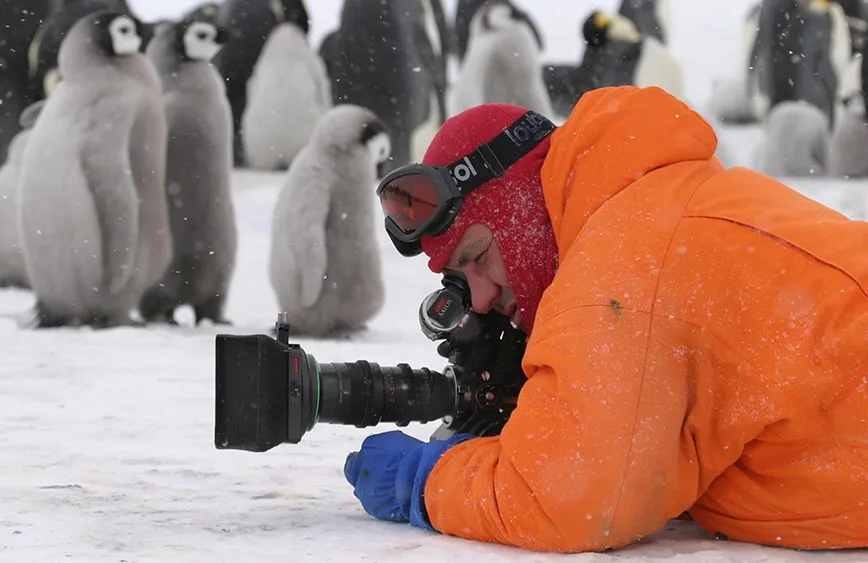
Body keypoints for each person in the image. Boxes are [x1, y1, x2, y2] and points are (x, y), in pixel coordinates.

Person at [342, 85, 868, 552]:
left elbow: (567, 498)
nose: (478, 299)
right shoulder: (652, 202)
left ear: (520, 200)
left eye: (478, 256)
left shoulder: (622, 258)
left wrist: (426, 481)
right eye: (458, 278)